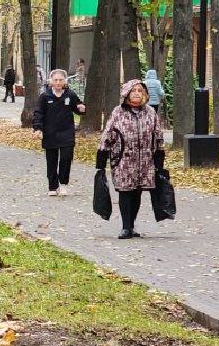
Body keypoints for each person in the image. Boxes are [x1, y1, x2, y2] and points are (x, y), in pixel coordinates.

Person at [97, 78, 165, 239]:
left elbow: (158, 136)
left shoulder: (150, 112)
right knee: (125, 192)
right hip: (123, 160)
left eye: (140, 91)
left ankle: (132, 224)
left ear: (145, 95)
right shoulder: (118, 112)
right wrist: (101, 160)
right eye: (133, 91)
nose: (136, 94)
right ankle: (126, 227)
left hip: (145, 161)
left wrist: (159, 160)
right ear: (126, 93)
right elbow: (107, 134)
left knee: (138, 192)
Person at [32, 68, 86, 196]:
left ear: (65, 81)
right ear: (51, 81)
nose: (58, 82)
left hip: (66, 132)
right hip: (50, 133)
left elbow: (78, 107)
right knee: (51, 160)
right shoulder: (45, 96)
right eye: (55, 80)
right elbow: (38, 113)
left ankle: (63, 184)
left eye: (60, 80)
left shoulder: (70, 95)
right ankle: (52, 186)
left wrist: (81, 108)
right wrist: (38, 128)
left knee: (66, 158)